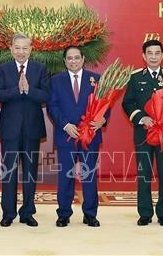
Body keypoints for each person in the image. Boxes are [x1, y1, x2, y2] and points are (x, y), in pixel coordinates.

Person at [0, 33, 50, 227]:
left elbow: (47, 95)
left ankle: (27, 212)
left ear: (31, 49)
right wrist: (16, 90)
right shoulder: (3, 69)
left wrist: (29, 90)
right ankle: (8, 213)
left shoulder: (40, 69)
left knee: (30, 172)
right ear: (11, 49)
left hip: (32, 129)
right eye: (17, 48)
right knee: (8, 172)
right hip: (10, 129)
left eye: (25, 48)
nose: (21, 52)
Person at [121, 39, 163, 227]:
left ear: (162, 55)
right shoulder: (135, 77)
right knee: (144, 174)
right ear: (144, 56)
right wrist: (141, 118)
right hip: (143, 135)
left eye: (157, 53)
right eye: (150, 53)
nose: (154, 57)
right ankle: (145, 213)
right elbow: (127, 103)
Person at [47, 46, 107, 228]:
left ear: (83, 59)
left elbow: (106, 104)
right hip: (66, 135)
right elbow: (52, 106)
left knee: (89, 176)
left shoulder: (96, 79)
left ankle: (90, 214)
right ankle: (63, 214)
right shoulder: (55, 81)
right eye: (69, 58)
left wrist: (103, 119)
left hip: (90, 136)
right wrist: (65, 125)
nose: (73, 61)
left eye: (76, 58)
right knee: (66, 176)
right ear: (65, 61)